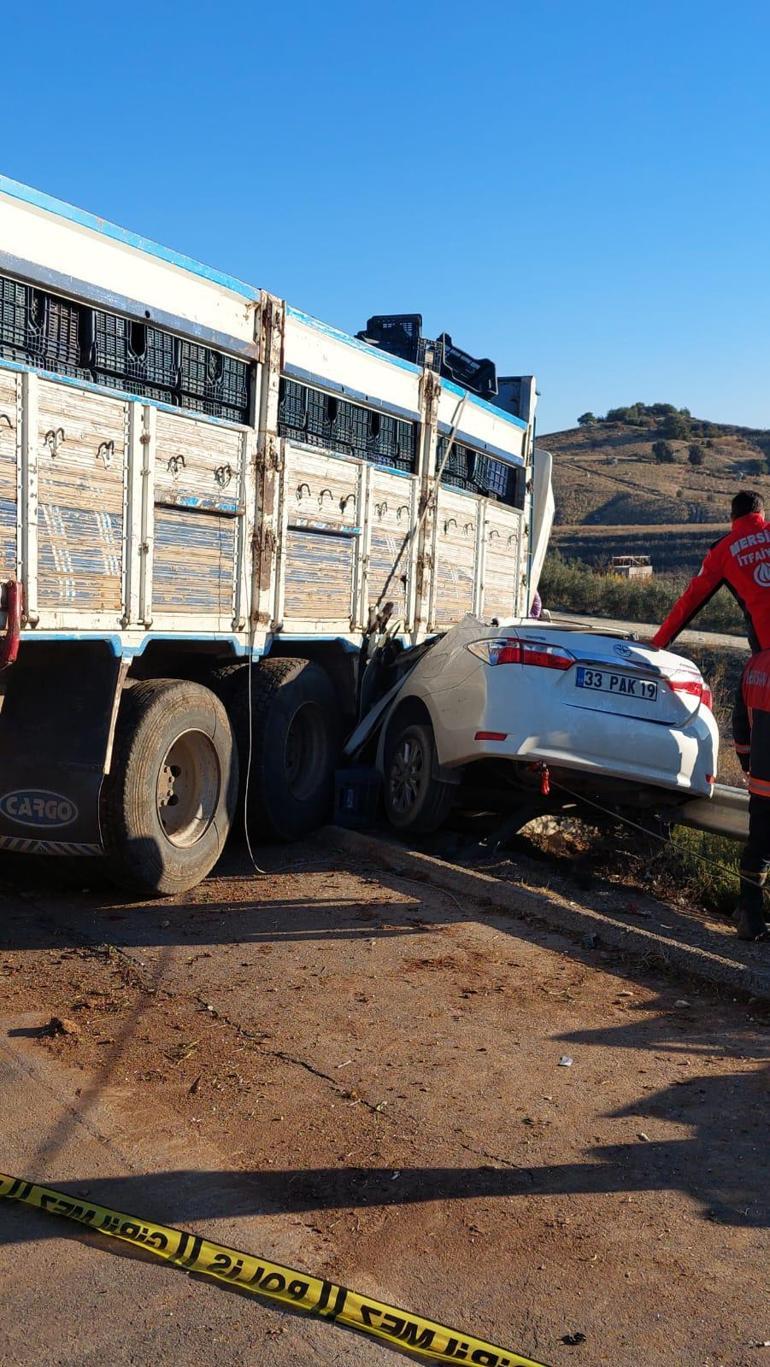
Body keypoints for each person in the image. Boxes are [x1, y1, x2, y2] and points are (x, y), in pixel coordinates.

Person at [652, 490, 770, 653]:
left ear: (732, 517)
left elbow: (691, 600)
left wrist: (658, 642)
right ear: (762, 513)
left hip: (765, 643)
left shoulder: (722, 550)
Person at [732, 652, 770, 940]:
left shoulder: (756, 664)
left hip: (760, 781)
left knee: (758, 851)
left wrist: (747, 763)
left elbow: (740, 723)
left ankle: (750, 915)